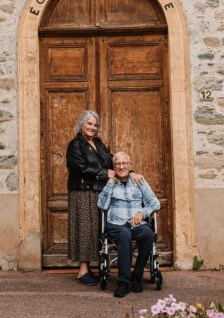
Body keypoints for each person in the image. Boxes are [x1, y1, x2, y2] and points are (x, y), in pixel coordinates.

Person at [66, 110, 144, 286]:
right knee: (85, 228)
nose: (93, 127)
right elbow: (80, 167)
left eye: (95, 125)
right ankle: (83, 270)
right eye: (89, 124)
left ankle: (93, 267)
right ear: (81, 125)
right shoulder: (75, 145)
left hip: (99, 192)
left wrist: (130, 173)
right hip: (82, 192)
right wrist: (104, 173)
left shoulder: (98, 143)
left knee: (96, 229)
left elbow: (112, 161)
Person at [97, 150, 160, 298]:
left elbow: (154, 203)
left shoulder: (139, 181)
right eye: (117, 164)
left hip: (136, 223)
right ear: (114, 167)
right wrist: (110, 183)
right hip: (116, 224)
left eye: (124, 163)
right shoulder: (110, 183)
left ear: (130, 165)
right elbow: (102, 205)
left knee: (147, 234)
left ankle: (136, 276)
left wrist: (142, 213)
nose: (121, 166)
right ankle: (123, 282)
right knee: (124, 234)